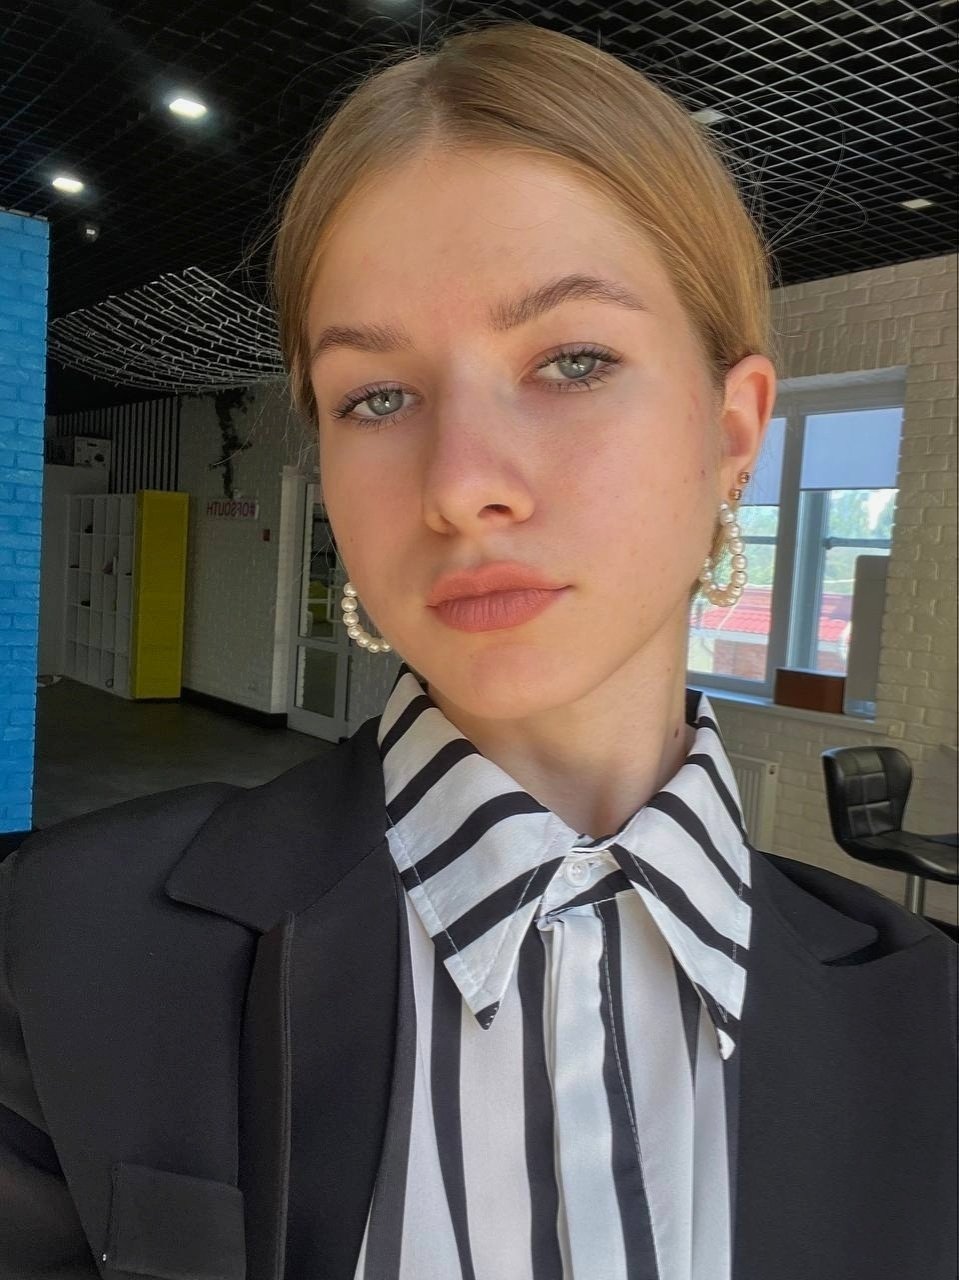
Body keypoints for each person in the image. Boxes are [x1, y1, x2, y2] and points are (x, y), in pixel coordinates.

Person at [1, 20, 955, 1280]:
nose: (458, 484)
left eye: (571, 360)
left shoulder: (928, 1026)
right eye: (377, 396)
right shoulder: (65, 937)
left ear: (732, 435)